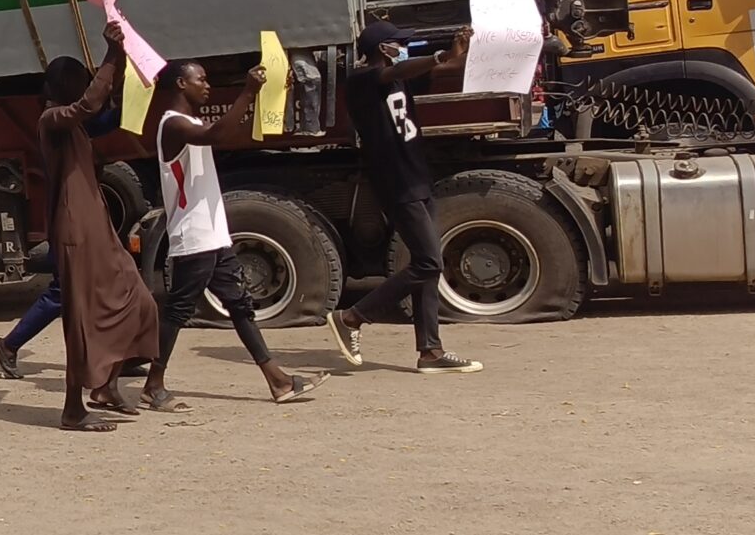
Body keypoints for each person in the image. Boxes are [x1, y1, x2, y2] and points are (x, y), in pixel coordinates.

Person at [141, 61, 328, 407]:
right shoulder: (173, 125)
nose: (207, 85)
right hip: (193, 236)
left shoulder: (191, 122)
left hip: (214, 236)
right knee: (178, 311)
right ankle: (153, 384)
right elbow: (216, 136)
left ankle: (279, 381)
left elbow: (223, 133)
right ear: (182, 84)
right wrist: (247, 92)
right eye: (202, 79)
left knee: (240, 307)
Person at [326, 21, 484, 374]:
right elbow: (410, 67)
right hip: (397, 183)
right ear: (384, 49)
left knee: (427, 266)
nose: (405, 47)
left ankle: (430, 351)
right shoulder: (362, 80)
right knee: (429, 263)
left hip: (417, 179)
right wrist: (441, 53)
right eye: (400, 43)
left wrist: (467, 47)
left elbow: (446, 67)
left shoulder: (400, 77)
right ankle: (352, 317)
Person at [34, 26, 162, 429]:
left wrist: (121, 60)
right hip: (75, 230)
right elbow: (89, 105)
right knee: (83, 317)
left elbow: (99, 107)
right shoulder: (53, 119)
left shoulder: (74, 126)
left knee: (137, 297)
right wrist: (109, 55)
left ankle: (105, 384)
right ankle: (73, 408)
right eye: (81, 80)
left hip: (96, 225)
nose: (88, 86)